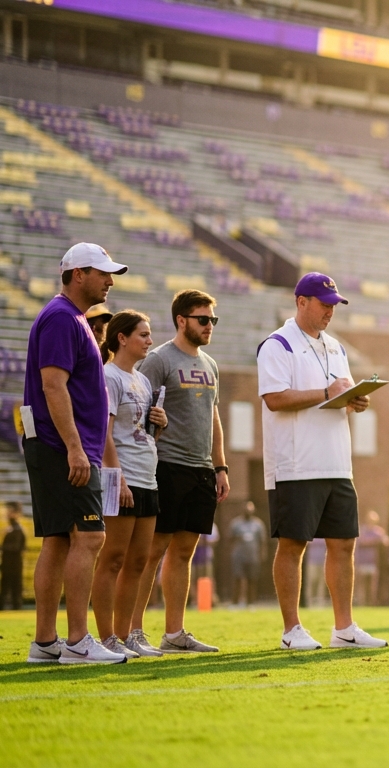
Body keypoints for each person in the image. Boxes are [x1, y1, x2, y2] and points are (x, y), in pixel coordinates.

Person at [258, 273, 385, 650]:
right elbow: (274, 398)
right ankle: (291, 629)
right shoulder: (277, 344)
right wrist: (327, 393)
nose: (331, 311)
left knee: (344, 543)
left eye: (334, 305)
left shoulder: (336, 347)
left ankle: (344, 628)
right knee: (293, 545)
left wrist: (355, 399)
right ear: (301, 302)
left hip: (337, 462)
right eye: (324, 304)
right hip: (296, 462)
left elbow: (338, 393)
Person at [25, 242, 129, 664]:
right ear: (78, 274)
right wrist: (74, 447)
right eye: (102, 272)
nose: (109, 280)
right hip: (61, 444)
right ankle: (78, 641)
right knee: (90, 536)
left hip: (56, 443)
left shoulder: (72, 318)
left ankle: (46, 642)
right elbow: (53, 384)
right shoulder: (61, 318)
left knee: (57, 542)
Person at [132, 289, 228, 654]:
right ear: (181, 320)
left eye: (212, 321)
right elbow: (136, 407)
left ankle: (174, 633)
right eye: (203, 320)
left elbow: (214, 419)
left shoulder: (211, 364)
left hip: (202, 468)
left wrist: (220, 466)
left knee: (184, 552)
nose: (209, 327)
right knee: (153, 550)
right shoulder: (158, 360)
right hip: (167, 466)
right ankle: (133, 631)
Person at [92, 310, 168, 658]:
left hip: (147, 477)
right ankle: (106, 636)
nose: (149, 341)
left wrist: (159, 423)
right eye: (143, 335)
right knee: (113, 559)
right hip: (122, 477)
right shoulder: (108, 376)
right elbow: (104, 432)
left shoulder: (143, 380)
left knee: (139, 561)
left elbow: (140, 430)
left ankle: (127, 635)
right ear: (121, 337)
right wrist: (116, 476)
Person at [229, 503, 267, 606]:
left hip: (253, 556)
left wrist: (262, 555)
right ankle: (235, 602)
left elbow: (262, 541)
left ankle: (251, 602)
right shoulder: (236, 523)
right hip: (239, 555)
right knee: (237, 578)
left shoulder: (258, 524)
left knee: (252, 579)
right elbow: (230, 539)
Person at [356, 511, 389, 607]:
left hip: (373, 561)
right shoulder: (362, 530)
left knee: (372, 584)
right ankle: (361, 602)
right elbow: (361, 541)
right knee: (361, 583)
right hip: (362, 560)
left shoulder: (378, 531)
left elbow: (386, 541)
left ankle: (371, 602)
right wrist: (374, 541)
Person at [2, 502, 26, 610]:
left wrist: (2, 548)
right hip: (8, 563)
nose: (8, 515)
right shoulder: (11, 529)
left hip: (14, 563)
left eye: (11, 512)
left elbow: (16, 547)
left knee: (15, 585)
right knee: (6, 585)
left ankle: (16, 606)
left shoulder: (17, 529)